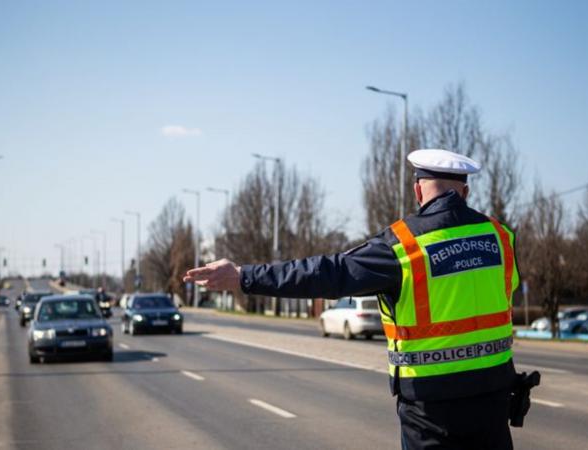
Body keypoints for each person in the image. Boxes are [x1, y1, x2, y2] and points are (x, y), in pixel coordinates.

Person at [183, 149, 520, 449]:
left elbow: (326, 273)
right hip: (493, 399)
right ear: (466, 191)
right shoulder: (501, 239)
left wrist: (243, 277)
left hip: (432, 411)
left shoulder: (404, 246)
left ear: (418, 190)